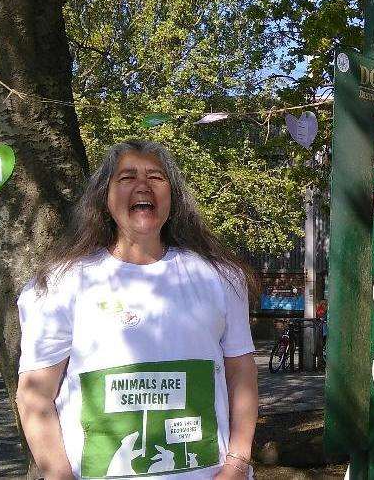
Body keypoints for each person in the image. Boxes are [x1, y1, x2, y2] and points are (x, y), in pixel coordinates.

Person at [16, 140, 258, 479]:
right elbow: (34, 396)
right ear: (105, 197)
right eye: (127, 177)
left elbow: (242, 374)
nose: (143, 185)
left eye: (156, 177)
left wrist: (236, 463)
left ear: (173, 198)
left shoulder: (221, 277)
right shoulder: (60, 284)